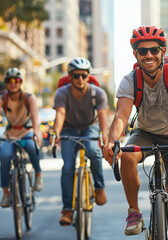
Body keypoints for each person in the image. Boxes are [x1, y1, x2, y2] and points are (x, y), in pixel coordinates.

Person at [103, 25, 168, 239]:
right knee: (128, 156)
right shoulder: (130, 80)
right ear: (135, 54)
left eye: (154, 50)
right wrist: (112, 142)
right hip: (146, 133)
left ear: (163, 51)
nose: (148, 55)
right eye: (142, 51)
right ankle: (134, 212)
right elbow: (121, 116)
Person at [52, 57, 108, 226]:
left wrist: (104, 135)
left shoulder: (97, 93)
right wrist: (56, 134)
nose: (80, 79)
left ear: (88, 76)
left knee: (93, 151)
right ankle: (68, 210)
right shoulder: (62, 93)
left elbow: (103, 117)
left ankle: (99, 188)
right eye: (76, 75)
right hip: (69, 130)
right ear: (70, 76)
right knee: (68, 167)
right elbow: (60, 114)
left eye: (84, 75)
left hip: (89, 128)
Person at [0, 67, 43, 207]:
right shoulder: (3, 99)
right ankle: (6, 192)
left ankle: (38, 174)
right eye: (10, 81)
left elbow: (35, 118)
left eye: (16, 80)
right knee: (5, 156)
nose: (13, 83)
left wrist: (37, 133)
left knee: (31, 146)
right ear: (6, 83)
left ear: (20, 83)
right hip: (10, 135)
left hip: (26, 132)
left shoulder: (28, 97)